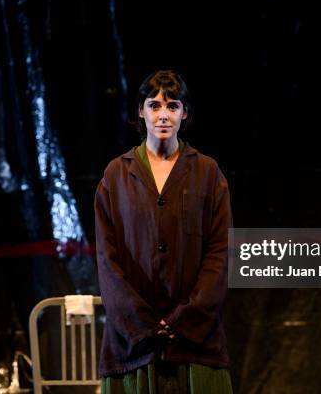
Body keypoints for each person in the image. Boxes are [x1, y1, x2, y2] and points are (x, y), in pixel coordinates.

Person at [95, 70, 233, 393]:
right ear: (140, 112)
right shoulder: (116, 176)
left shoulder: (207, 173)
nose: (163, 115)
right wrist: (142, 324)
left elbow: (220, 254)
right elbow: (107, 259)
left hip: (196, 345)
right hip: (133, 348)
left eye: (172, 106)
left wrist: (183, 320)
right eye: (154, 105)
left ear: (184, 114)